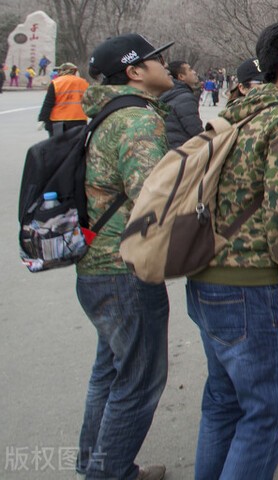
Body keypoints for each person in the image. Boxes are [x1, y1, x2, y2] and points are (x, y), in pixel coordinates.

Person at [187, 22, 278, 480]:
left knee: (223, 404)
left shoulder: (238, 113)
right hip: (251, 287)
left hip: (205, 276)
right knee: (267, 414)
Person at [77, 33, 175, 480]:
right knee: (138, 383)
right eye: (156, 59)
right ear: (135, 71)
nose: (165, 64)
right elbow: (151, 201)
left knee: (110, 373)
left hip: (96, 267)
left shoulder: (104, 114)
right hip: (125, 272)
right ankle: (110, 474)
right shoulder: (137, 120)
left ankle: (96, 464)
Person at [36, 61, 89, 135]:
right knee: (77, 145)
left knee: (59, 145)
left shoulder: (56, 83)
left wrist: (42, 119)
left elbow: (48, 104)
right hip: (79, 120)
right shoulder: (84, 83)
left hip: (58, 122)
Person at [161, 60, 203, 148]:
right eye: (190, 70)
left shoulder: (169, 92)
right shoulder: (185, 97)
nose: (194, 72)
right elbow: (195, 130)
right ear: (181, 76)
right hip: (183, 150)